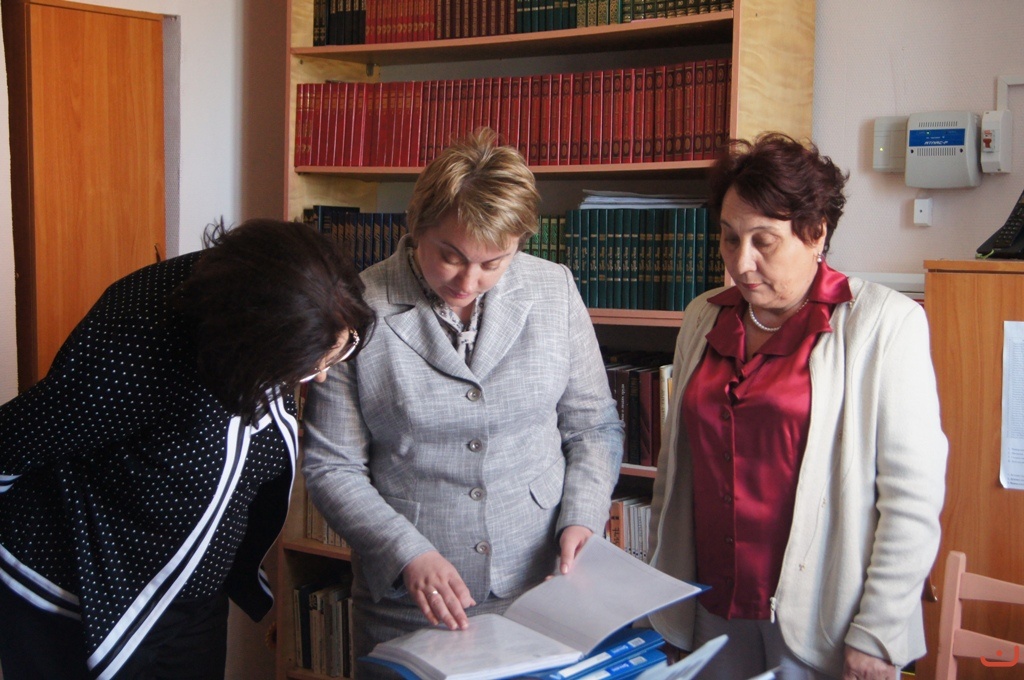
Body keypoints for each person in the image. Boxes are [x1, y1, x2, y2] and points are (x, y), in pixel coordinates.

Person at [301, 127, 624, 678]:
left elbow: (593, 426)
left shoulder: (554, 289)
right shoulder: (357, 307)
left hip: (539, 584)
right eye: (449, 256)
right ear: (416, 227)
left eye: (493, 262)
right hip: (410, 597)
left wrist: (583, 519)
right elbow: (332, 466)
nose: (469, 280)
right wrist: (407, 552)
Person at [0, 218, 374, 680]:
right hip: (81, 597)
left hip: (188, 591)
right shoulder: (130, 357)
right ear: (249, 346)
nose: (321, 375)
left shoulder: (275, 288)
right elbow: (10, 443)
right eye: (309, 365)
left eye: (339, 352)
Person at [646, 133, 948, 680]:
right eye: (730, 238)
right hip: (711, 602)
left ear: (816, 234)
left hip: (825, 619)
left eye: (764, 241)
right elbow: (675, 472)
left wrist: (879, 632)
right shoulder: (703, 316)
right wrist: (662, 594)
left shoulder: (884, 324)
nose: (742, 262)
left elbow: (912, 499)